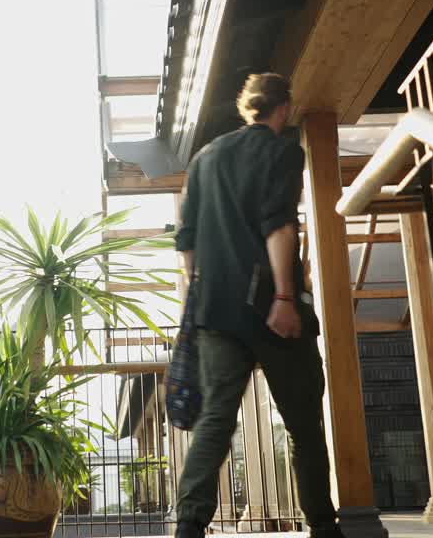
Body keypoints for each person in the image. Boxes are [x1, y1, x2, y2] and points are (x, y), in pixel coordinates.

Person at [173, 73, 342, 538]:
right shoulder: (282, 151)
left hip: (214, 310)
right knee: (304, 422)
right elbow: (278, 225)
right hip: (270, 306)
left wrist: (195, 299)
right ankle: (324, 527)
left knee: (215, 421)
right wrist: (285, 297)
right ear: (283, 109)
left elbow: (186, 242)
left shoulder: (205, 158)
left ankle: (189, 527)